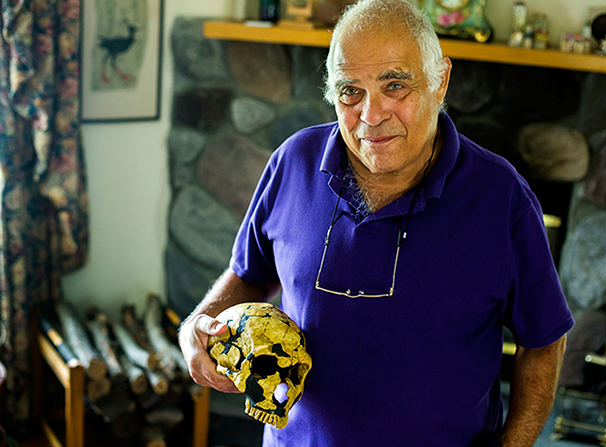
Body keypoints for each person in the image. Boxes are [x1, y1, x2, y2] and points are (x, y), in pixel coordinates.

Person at [178, 0, 574, 445]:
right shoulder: (293, 162)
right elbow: (247, 276)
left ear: (440, 80)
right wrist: (197, 325)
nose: (371, 114)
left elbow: (542, 341)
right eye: (350, 91)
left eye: (395, 86)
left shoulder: (502, 198)